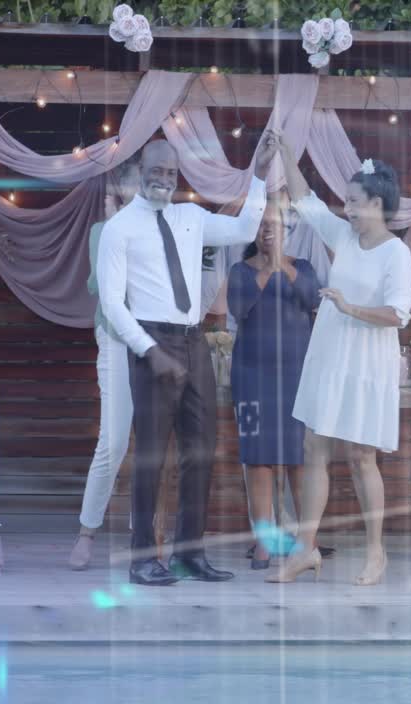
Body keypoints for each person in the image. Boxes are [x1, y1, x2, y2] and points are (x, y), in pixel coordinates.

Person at [97, 132, 277, 586]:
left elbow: (242, 231)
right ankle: (142, 559)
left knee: (201, 451)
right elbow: (113, 303)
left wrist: (256, 177)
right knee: (152, 456)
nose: (163, 179)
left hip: (193, 340)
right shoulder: (120, 228)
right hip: (151, 342)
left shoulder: (191, 217)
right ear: (139, 173)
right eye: (155, 171)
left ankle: (188, 555)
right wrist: (149, 350)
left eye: (170, 173)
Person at [270, 141, 411, 586]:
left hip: (368, 360)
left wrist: (350, 308)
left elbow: (398, 314)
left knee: (360, 456)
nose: (347, 209)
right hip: (331, 354)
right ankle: (305, 550)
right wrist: (285, 154)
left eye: (354, 202)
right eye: (347, 202)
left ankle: (376, 553)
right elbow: (306, 202)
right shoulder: (343, 238)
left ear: (376, 204)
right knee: (314, 447)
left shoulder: (396, 253)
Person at [226, 199, 322, 569]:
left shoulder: (303, 268)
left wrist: (281, 262)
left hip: (297, 380)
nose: (269, 230)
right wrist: (267, 267)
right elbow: (240, 308)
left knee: (300, 460)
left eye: (276, 224)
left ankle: (306, 542)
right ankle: (263, 543)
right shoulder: (240, 270)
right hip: (251, 380)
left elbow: (311, 297)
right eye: (263, 225)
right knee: (258, 461)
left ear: (287, 231)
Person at [68, 159, 141, 571]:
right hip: (114, 338)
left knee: (151, 444)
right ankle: (87, 531)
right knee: (113, 440)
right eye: (136, 185)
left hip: (154, 342)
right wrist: (114, 231)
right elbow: (97, 285)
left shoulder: (162, 231)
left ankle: (144, 535)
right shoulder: (104, 230)